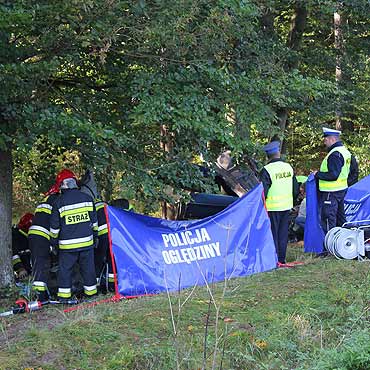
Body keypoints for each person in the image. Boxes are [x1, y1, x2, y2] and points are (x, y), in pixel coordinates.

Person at [49, 169, 99, 302]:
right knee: (88, 269)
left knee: (65, 271)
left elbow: (54, 228)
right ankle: (91, 295)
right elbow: (94, 222)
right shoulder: (88, 199)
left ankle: (65, 298)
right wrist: (95, 236)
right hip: (87, 243)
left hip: (67, 246)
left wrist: (54, 243)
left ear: (62, 185)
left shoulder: (58, 203)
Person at [259, 141, 299, 267]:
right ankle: (282, 259)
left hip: (272, 207)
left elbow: (263, 191)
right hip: (286, 206)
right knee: (283, 234)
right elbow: (295, 188)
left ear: (267, 156)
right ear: (278, 153)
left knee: (273, 235)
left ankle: (273, 260)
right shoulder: (288, 167)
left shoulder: (267, 170)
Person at [314, 127, 355, 235]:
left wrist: (317, 174)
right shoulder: (345, 152)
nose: (324, 142)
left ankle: (329, 249)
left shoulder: (335, 154)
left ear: (332, 139)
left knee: (328, 219)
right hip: (341, 190)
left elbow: (333, 175)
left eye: (326, 140)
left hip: (331, 192)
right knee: (341, 219)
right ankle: (344, 246)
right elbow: (353, 172)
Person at [28, 185, 60, 301]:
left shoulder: (46, 200)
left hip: (34, 234)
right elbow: (57, 222)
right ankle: (40, 297)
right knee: (42, 264)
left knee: (39, 263)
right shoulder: (56, 201)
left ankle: (41, 294)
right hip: (43, 235)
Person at [12, 213, 33, 280]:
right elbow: (14, 255)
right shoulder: (14, 236)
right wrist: (20, 269)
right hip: (19, 273)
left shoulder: (28, 237)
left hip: (29, 272)